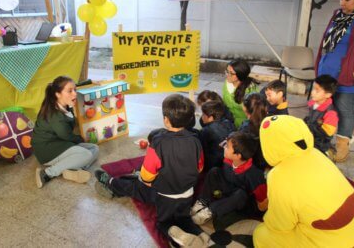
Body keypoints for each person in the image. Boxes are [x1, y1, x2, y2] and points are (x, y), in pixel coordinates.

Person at [94, 94, 212, 246]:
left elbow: (147, 175)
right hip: (187, 193)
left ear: (166, 120)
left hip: (164, 194)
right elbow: (199, 168)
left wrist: (145, 180)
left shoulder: (158, 143)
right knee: (184, 219)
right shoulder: (196, 140)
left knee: (160, 218)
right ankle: (203, 237)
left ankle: (110, 182)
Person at [253, 115, 354, 247]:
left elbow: (281, 225)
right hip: (350, 223)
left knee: (261, 235)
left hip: (331, 239)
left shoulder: (278, 175)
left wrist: (267, 220)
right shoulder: (315, 153)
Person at [32, 76, 99, 188]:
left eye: (75, 90)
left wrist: (90, 81)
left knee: (94, 148)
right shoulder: (55, 115)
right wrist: (81, 139)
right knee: (86, 154)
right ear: (58, 94)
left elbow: (74, 85)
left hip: (59, 142)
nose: (74, 94)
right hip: (46, 150)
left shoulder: (64, 104)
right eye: (70, 91)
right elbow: (67, 136)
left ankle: (72, 170)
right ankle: (47, 173)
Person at [190, 131, 268, 225]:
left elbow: (263, 203)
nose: (224, 147)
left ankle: (210, 211)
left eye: (227, 146)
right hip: (229, 188)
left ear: (237, 156)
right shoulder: (229, 158)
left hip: (239, 201)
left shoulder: (254, 175)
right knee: (214, 171)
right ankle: (202, 201)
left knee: (240, 194)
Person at [315, 0, 354, 162]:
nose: (341, 3)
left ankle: (341, 149)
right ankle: (321, 143)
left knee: (344, 111)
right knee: (322, 109)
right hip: (327, 72)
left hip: (345, 75)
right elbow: (326, 42)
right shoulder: (337, 15)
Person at [304, 75, 339, 154]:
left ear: (327, 95)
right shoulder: (312, 104)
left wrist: (313, 126)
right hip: (310, 138)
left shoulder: (331, 113)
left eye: (317, 90)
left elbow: (327, 134)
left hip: (320, 145)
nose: (312, 92)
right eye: (313, 88)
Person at [199, 100, 235, 171]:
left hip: (213, 165)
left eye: (203, 114)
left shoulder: (205, 131)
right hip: (229, 162)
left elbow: (203, 151)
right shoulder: (229, 123)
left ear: (211, 117)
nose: (202, 116)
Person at [222, 60, 259, 128]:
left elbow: (254, 112)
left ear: (241, 74)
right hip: (229, 122)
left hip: (245, 125)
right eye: (227, 71)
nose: (227, 75)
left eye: (231, 73)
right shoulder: (227, 83)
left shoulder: (251, 89)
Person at [239, 93, 268, 169]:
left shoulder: (245, 128)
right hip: (264, 161)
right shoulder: (268, 121)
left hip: (252, 165)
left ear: (245, 108)